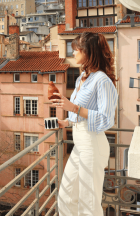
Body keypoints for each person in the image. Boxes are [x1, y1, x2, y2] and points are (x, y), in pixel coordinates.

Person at [49, 32, 118, 216]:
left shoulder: (102, 80)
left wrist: (74, 107)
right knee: (65, 197)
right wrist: (65, 121)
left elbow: (106, 119)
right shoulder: (81, 79)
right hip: (79, 145)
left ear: (88, 52)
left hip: (92, 144)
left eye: (76, 50)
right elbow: (80, 115)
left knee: (88, 203)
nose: (73, 54)